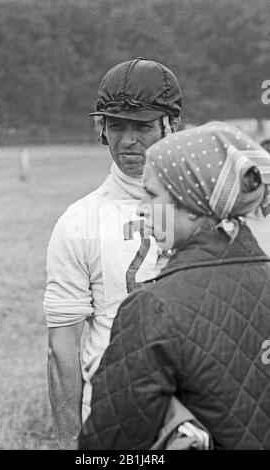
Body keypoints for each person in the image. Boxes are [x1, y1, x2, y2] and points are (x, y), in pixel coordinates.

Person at [79, 121, 270, 450]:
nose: (142, 207)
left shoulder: (152, 310)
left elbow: (108, 447)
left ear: (194, 206)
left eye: (152, 194)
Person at [43, 58, 182, 449]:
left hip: (198, 414)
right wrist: (72, 441)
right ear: (101, 130)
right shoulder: (77, 221)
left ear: (171, 125)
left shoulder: (203, 212)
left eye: (142, 126)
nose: (127, 141)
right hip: (113, 420)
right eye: (116, 125)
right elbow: (62, 348)